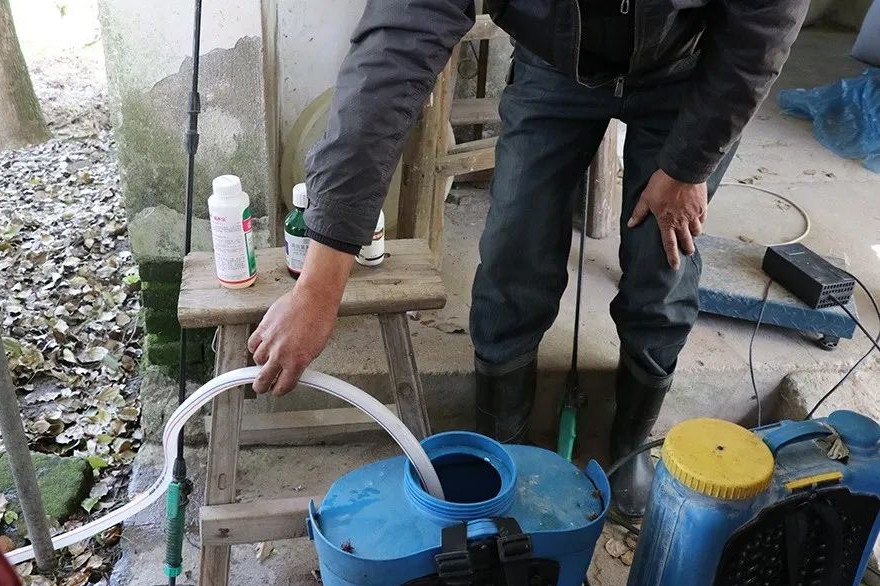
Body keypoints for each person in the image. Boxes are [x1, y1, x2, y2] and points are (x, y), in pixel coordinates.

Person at [247, 0, 808, 517]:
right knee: (513, 258)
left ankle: (629, 447)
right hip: (554, 65)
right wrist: (318, 287)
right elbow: (391, 54)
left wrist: (690, 164)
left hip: (690, 70)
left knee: (661, 270)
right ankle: (502, 452)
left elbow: (765, 22)